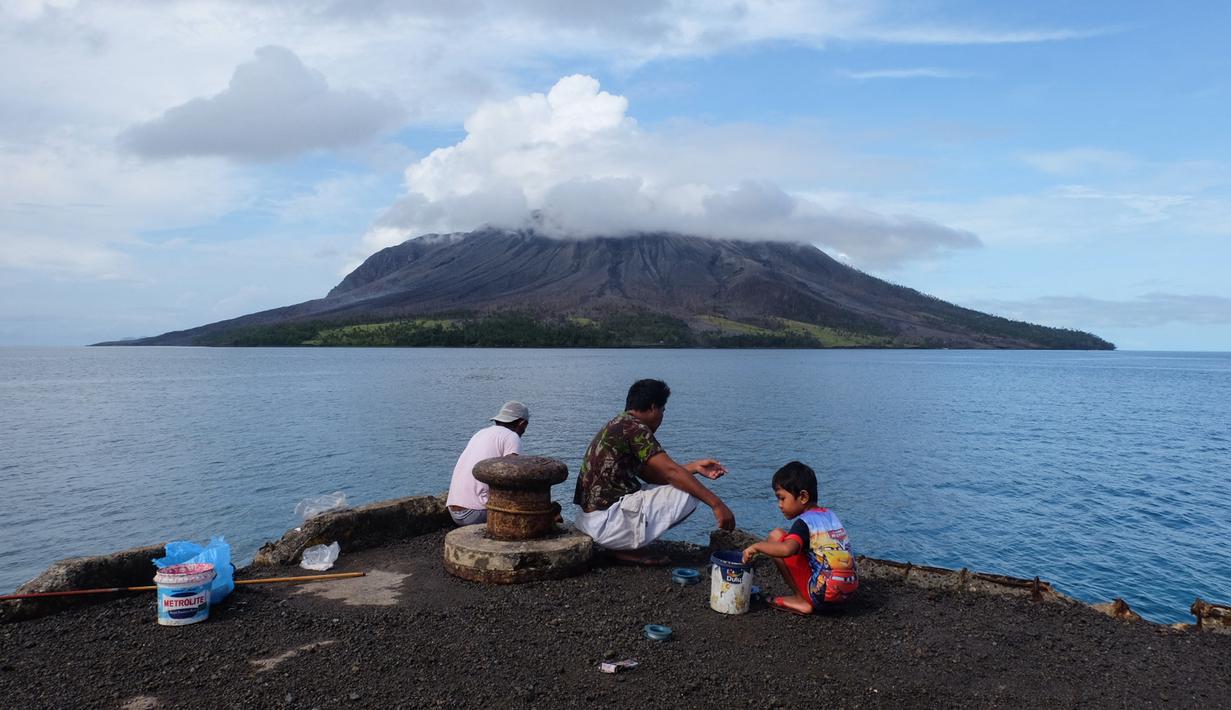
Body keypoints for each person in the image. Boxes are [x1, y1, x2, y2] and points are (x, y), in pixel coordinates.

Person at [573, 379, 735, 565]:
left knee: (683, 482)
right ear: (652, 408)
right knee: (688, 493)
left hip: (589, 521)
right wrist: (717, 504)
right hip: (606, 525)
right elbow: (670, 472)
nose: (662, 417)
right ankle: (626, 547)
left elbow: (653, 475)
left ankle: (622, 544)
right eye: (663, 411)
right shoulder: (636, 429)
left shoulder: (619, 424)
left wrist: (694, 467)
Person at [742, 461, 859, 614]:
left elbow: (786, 550)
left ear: (803, 497)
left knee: (776, 536)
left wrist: (757, 546)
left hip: (821, 596)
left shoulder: (804, 522)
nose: (779, 504)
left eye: (782, 498)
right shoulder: (830, 516)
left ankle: (800, 599)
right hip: (846, 594)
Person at [445, 401, 529, 526]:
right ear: (522, 424)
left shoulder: (480, 433)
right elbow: (512, 476)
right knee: (531, 504)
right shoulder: (512, 437)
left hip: (454, 512)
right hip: (475, 513)